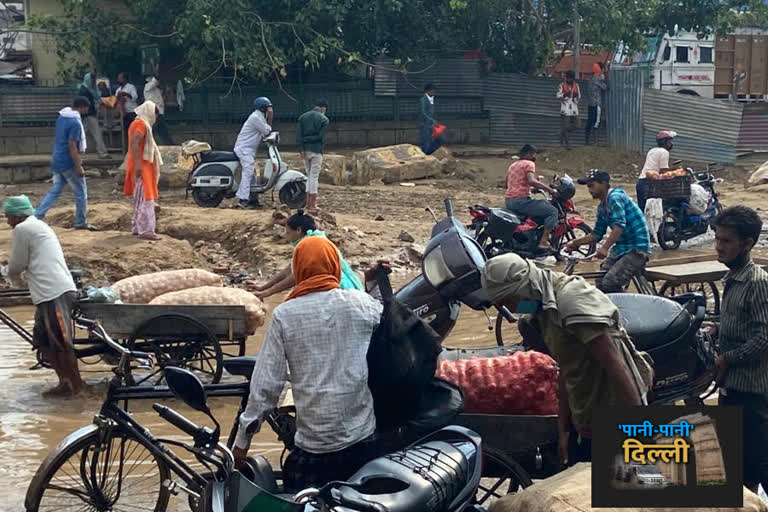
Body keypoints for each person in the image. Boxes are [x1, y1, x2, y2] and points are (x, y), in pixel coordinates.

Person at [233, 236, 383, 492]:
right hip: (361, 441)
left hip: (314, 447)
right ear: (335, 266)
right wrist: (373, 283)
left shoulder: (285, 314)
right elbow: (390, 322)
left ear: (299, 269)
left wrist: (242, 443)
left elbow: (266, 388)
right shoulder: (362, 305)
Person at [481, 252, 650, 467]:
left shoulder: (570, 302)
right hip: (583, 408)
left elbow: (615, 366)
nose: (509, 308)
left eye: (508, 300)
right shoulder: (539, 307)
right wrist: (563, 428)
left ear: (523, 288)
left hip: (613, 406)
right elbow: (566, 367)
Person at [706, 206, 768, 494]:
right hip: (732, 387)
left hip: (752, 391)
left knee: (758, 462)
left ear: (748, 243)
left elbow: (763, 337)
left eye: (727, 241)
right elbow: (740, 322)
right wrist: (717, 329)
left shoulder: (756, 282)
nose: (719, 246)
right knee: (739, 466)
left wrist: (726, 358)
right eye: (717, 239)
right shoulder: (732, 278)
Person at [3, 195, 85, 397]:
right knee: (42, 341)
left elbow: (17, 265)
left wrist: (6, 273)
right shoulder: (36, 226)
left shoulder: (23, 229)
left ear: (16, 216)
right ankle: (64, 382)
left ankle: (77, 388)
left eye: (7, 217)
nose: (6, 221)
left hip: (53, 291)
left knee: (61, 343)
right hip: (46, 292)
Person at [565, 169, 651, 293]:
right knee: (600, 281)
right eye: (588, 187)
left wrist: (605, 248)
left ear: (604, 184)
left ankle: (622, 310)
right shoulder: (601, 207)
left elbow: (619, 225)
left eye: (592, 186)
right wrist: (575, 243)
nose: (590, 190)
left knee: (610, 283)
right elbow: (596, 234)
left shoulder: (615, 198)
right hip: (622, 248)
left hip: (637, 248)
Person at [248, 210, 362, 299]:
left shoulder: (311, 244)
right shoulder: (313, 239)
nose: (286, 236)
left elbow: (295, 276)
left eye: (288, 232)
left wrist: (268, 292)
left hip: (338, 289)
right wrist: (264, 287)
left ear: (298, 230)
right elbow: (289, 269)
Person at [35, 97, 96, 231]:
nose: (87, 111)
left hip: (57, 158)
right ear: (82, 107)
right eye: (86, 108)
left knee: (55, 190)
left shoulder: (62, 117)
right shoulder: (75, 122)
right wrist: (78, 166)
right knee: (81, 192)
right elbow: (72, 146)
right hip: (68, 161)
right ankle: (80, 221)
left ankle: (37, 215)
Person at [504, 144, 559, 253]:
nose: (534, 156)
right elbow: (531, 181)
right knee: (552, 211)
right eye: (534, 154)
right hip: (520, 201)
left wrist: (530, 188)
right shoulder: (529, 163)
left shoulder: (513, 165)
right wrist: (550, 190)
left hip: (509, 201)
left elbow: (508, 183)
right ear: (529, 154)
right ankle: (543, 241)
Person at [124, 101, 163, 241]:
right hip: (141, 167)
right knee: (146, 198)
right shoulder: (141, 124)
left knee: (139, 198)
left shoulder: (137, 123)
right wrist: (139, 165)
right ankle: (146, 229)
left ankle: (137, 227)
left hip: (139, 166)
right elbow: (135, 142)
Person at [233, 97, 273, 209]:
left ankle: (253, 199)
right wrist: (270, 118)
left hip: (248, 150)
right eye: (268, 108)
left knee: (253, 175)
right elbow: (266, 131)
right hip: (244, 149)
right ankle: (243, 199)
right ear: (263, 108)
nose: (270, 110)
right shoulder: (256, 117)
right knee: (248, 172)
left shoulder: (259, 117)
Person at [296, 99, 329, 214]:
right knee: (314, 176)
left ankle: (306, 203)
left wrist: (301, 148)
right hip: (316, 150)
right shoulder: (324, 119)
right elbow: (320, 137)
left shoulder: (302, 117)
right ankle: (313, 204)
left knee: (308, 175)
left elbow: (298, 136)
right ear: (323, 108)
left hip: (305, 151)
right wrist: (309, 139)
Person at [638, 130, 676, 213]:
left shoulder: (652, 150)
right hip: (650, 184)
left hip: (641, 182)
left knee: (642, 210)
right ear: (665, 142)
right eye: (669, 141)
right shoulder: (664, 152)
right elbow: (663, 172)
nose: (671, 144)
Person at [77, 73, 109, 159]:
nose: (93, 82)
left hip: (86, 115)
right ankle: (102, 152)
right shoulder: (85, 90)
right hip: (88, 115)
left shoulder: (86, 89)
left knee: (80, 134)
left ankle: (76, 151)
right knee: (97, 133)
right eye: (92, 80)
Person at [143, 58, 174, 146]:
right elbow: (156, 77)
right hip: (153, 114)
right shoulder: (148, 87)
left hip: (158, 113)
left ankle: (170, 146)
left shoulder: (156, 90)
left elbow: (161, 100)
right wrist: (153, 64)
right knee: (157, 133)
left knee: (162, 133)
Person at [557, 70, 581, 149]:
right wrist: (565, 94)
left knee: (577, 125)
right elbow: (558, 95)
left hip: (574, 108)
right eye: (568, 78)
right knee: (566, 125)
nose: (569, 80)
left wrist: (575, 97)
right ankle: (567, 144)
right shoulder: (561, 85)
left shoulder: (576, 86)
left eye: (571, 78)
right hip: (565, 109)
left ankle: (562, 132)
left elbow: (579, 97)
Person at [585, 63, 607, 146]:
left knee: (590, 122)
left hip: (590, 104)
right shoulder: (597, 79)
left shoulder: (591, 78)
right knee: (596, 122)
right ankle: (595, 142)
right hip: (596, 104)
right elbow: (606, 87)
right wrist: (606, 76)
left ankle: (587, 141)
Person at [420, 83, 442, 155]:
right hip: (425, 124)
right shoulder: (423, 100)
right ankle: (425, 154)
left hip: (430, 124)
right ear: (428, 91)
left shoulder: (430, 99)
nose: (434, 93)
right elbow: (423, 113)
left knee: (433, 140)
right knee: (426, 141)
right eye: (433, 91)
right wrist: (432, 120)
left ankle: (429, 153)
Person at [116, 72, 138, 136]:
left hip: (131, 112)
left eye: (120, 78)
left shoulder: (131, 87)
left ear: (125, 79)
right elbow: (116, 101)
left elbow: (135, 97)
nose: (118, 80)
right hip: (123, 113)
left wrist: (126, 94)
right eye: (118, 78)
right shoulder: (118, 90)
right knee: (126, 131)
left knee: (133, 130)